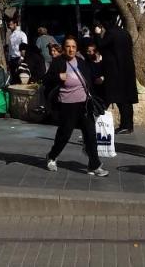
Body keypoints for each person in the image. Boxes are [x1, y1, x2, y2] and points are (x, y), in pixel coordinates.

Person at [42, 37, 108, 176]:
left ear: (76, 49)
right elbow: (46, 80)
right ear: (64, 48)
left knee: (90, 135)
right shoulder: (58, 63)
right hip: (67, 105)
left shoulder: (81, 62)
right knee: (64, 134)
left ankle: (94, 165)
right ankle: (52, 156)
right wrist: (58, 77)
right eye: (68, 46)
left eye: (73, 46)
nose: (71, 49)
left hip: (84, 105)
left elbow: (89, 78)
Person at [93, 13, 138, 134]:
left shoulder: (111, 33)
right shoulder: (124, 32)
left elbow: (101, 46)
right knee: (126, 100)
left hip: (115, 71)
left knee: (117, 98)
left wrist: (97, 34)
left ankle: (99, 120)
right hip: (126, 70)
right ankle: (128, 125)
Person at [7, 19, 28, 84]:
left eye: (11, 24)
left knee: (20, 77)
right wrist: (9, 58)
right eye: (9, 25)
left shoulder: (22, 34)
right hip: (12, 59)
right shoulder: (11, 35)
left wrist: (22, 58)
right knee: (14, 77)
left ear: (15, 24)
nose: (10, 26)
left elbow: (24, 46)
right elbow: (10, 48)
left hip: (19, 58)